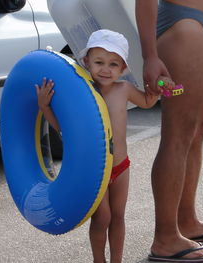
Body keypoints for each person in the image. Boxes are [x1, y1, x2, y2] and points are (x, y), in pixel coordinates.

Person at [36, 29, 174, 263]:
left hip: (121, 166)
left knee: (118, 216)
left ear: (122, 69)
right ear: (87, 62)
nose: (106, 69)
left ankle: (116, 260)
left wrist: (158, 91)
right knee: (102, 217)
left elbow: (147, 102)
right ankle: (98, 260)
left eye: (113, 64)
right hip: (94, 169)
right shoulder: (83, 94)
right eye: (99, 62)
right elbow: (63, 127)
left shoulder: (125, 90)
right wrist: (45, 106)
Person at [135, 0, 203, 262]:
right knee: (177, 136)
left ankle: (187, 220)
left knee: (197, 128)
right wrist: (150, 56)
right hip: (185, 28)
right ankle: (165, 238)